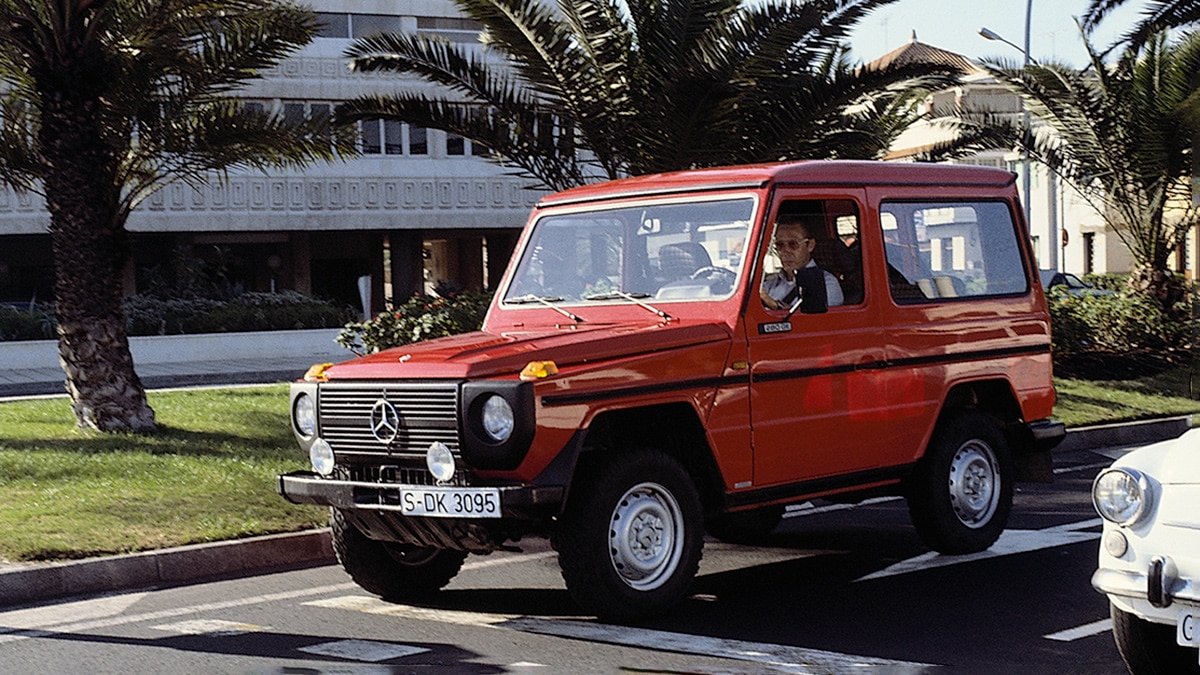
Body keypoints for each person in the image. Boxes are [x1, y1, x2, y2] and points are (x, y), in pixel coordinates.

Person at [760, 214, 844, 312]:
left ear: (810, 245)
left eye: (793, 244)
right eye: (780, 245)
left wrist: (771, 303)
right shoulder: (770, 283)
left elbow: (812, 321)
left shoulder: (827, 283)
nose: (785, 251)